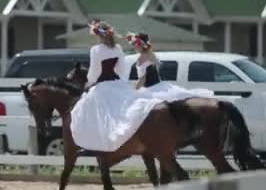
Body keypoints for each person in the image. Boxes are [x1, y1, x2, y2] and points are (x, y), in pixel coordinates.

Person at [69, 20, 162, 152]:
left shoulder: (95, 50)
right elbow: (122, 70)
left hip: (102, 85)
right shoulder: (117, 48)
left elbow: (94, 72)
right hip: (116, 82)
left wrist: (89, 83)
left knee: (83, 109)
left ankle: (94, 145)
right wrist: (121, 84)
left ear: (99, 35)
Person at [126, 31, 214, 100]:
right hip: (160, 85)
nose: (135, 46)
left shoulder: (141, 59)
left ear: (142, 44)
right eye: (133, 44)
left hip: (151, 89)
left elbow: (142, 79)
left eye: (136, 44)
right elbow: (157, 67)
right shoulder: (151, 54)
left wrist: (133, 91)